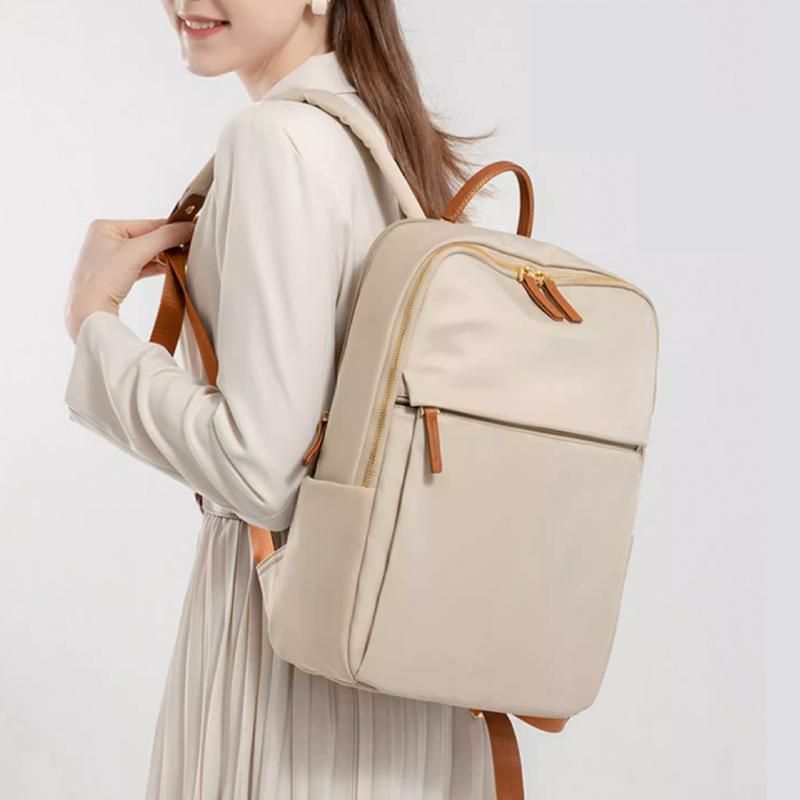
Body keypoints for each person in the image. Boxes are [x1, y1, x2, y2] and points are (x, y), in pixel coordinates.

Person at [63, 1, 496, 797]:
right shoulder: (393, 146)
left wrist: (94, 325)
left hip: (290, 652)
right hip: (406, 659)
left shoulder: (274, 139)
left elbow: (259, 471)